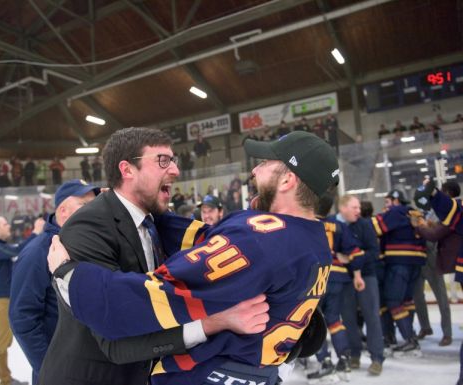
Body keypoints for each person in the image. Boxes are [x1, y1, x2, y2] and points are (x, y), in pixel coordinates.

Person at [47, 130, 340, 385]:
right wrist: (138, 206)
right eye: (163, 160)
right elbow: (211, 237)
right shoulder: (314, 240)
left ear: (288, 179)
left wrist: (66, 273)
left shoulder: (259, 240)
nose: (254, 171)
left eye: (264, 164)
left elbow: (137, 301)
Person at [9, 180, 100, 385]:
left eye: (95, 203)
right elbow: (22, 317)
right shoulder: (37, 252)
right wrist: (49, 367)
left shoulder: (89, 245)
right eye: (84, 204)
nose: (94, 210)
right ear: (63, 210)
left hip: (92, 367)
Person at [308, 193, 365, 381]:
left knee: (313, 321)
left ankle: (325, 362)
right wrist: (356, 273)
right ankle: (344, 358)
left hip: (316, 277)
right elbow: (356, 252)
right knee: (334, 319)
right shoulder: (338, 225)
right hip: (338, 278)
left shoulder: (306, 224)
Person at [0, 215, 45, 385]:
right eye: (4, 224)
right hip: (0, 302)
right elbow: (17, 251)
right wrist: (35, 232)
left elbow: (16, 249)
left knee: (2, 343)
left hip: (2, 301)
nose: (9, 226)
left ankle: (5, 379)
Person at [414, 178, 463, 385]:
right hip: (430, 262)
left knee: (442, 298)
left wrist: (431, 191)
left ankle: (448, 334)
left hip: (435, 261)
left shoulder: (455, 207)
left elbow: (441, 226)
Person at [371, 189, 427, 353]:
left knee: (393, 300)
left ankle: (409, 338)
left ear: (396, 201)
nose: (386, 206)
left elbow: (374, 227)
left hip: (399, 262)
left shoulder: (396, 211)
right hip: (416, 263)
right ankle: (411, 336)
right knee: (407, 301)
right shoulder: (416, 213)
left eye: (387, 202)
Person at [336, 195, 384, 375]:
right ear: (343, 208)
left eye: (358, 208)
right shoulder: (334, 225)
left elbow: (374, 252)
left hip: (367, 276)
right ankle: (354, 353)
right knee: (347, 318)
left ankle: (377, 358)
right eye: (354, 208)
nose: (358, 211)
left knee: (372, 317)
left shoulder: (365, 225)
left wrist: (352, 258)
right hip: (344, 279)